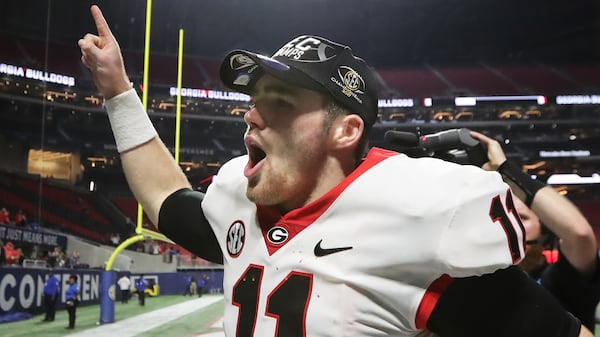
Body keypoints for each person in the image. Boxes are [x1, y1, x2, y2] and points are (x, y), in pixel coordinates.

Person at [79, 5, 594, 336]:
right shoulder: (240, 199)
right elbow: (164, 195)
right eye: (254, 99)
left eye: (279, 101)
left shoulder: (411, 220)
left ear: (345, 131)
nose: (251, 113)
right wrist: (119, 94)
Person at [471, 131, 600, 333]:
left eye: (522, 218)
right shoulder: (478, 280)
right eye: (503, 217)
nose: (511, 224)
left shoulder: (557, 280)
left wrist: (505, 170)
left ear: (545, 231)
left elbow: (580, 234)